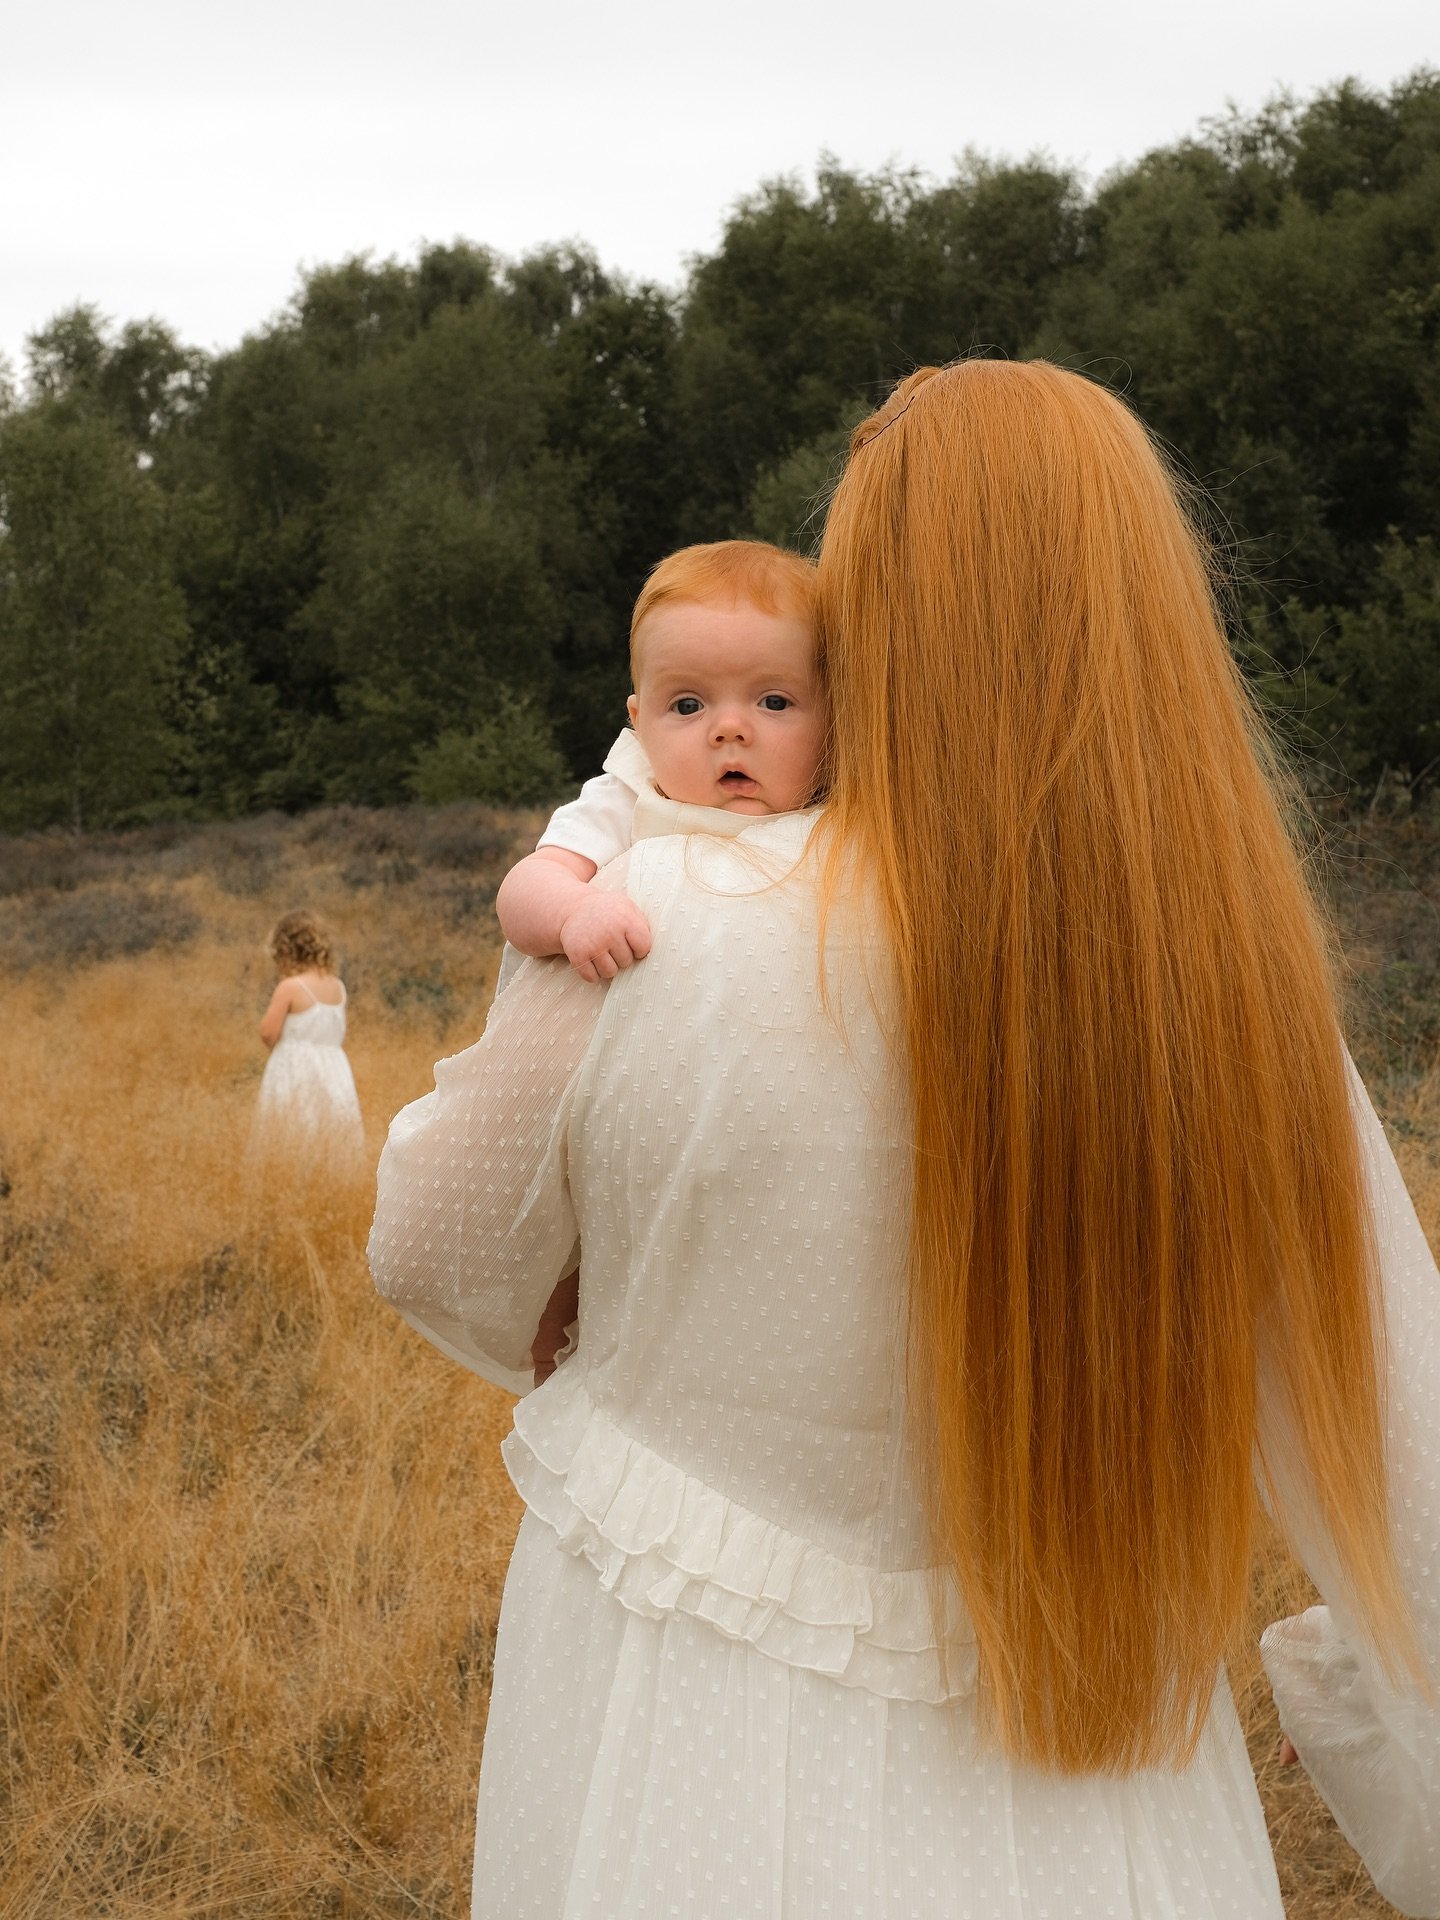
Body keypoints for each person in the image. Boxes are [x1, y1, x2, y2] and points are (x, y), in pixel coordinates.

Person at [368, 361, 1440, 1918]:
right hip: (1108, 1800)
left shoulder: (653, 918)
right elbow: (1405, 1467)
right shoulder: (1227, 997)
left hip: (683, 1750)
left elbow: (437, 1249)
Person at [496, 539, 821, 985]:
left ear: (835, 719)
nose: (729, 729)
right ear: (640, 723)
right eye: (688, 706)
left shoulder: (842, 806)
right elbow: (525, 888)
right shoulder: (631, 796)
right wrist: (575, 909)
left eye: (774, 701)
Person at [249, 909, 364, 1177]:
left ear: (286, 949)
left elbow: (268, 1032)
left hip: (295, 1066)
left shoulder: (289, 987)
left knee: (293, 1127)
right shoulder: (338, 987)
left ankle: (290, 1182)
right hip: (334, 1068)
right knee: (328, 1124)